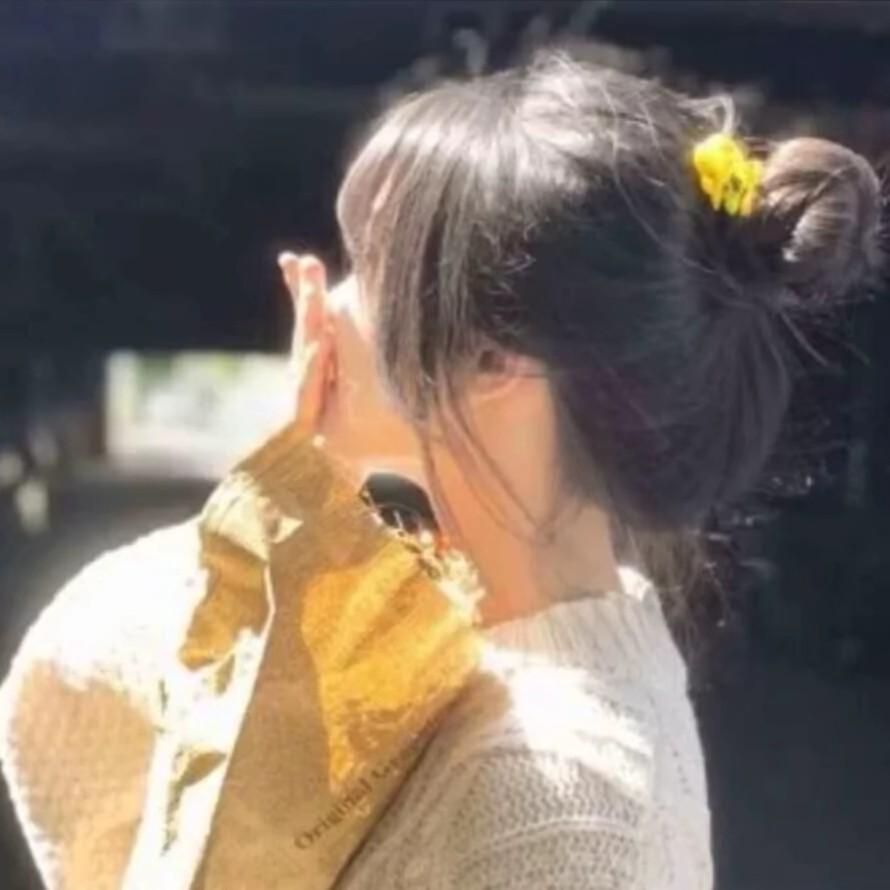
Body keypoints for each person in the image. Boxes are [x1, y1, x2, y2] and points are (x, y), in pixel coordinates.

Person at [0, 49, 882, 889]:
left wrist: (297, 495)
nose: (329, 303)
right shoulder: (518, 662)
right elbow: (72, 694)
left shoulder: (553, 800)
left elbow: (81, 712)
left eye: (372, 270)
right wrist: (297, 493)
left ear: (498, 358)